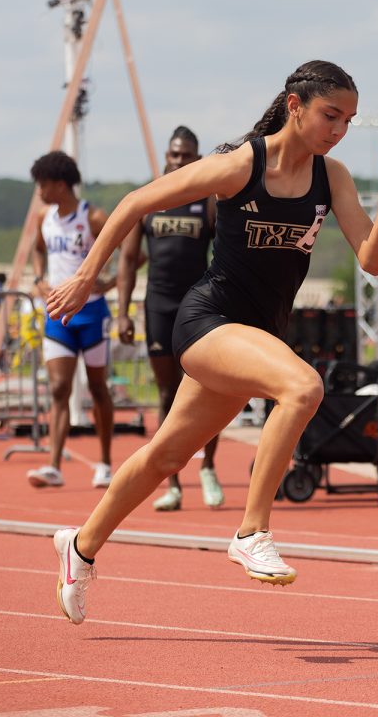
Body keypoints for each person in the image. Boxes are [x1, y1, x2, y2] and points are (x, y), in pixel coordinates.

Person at [45, 60, 378, 624]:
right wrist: (89, 275)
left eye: (348, 120)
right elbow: (135, 203)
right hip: (206, 320)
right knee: (302, 387)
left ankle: (81, 546)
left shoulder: (330, 177)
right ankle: (251, 530)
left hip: (255, 335)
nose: (338, 129)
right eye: (330, 115)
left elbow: (373, 260)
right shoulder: (242, 165)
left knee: (166, 455)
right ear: (295, 105)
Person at [117, 126, 224, 512]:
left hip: (198, 305)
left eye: (187, 156)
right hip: (159, 304)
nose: (180, 161)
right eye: (175, 155)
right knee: (167, 393)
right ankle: (172, 483)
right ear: (167, 156)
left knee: (208, 387)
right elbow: (128, 260)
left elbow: (227, 251)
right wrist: (123, 312)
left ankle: (209, 467)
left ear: (197, 159)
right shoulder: (150, 199)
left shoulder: (208, 200)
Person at [25, 151, 116, 490]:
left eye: (43, 184)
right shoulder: (43, 218)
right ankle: (53, 465)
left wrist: (111, 282)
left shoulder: (93, 217)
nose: (39, 191)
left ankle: (105, 463)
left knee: (97, 389)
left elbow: (128, 248)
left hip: (91, 314)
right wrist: (38, 279)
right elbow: (38, 250)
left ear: (60, 185)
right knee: (59, 388)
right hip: (57, 315)